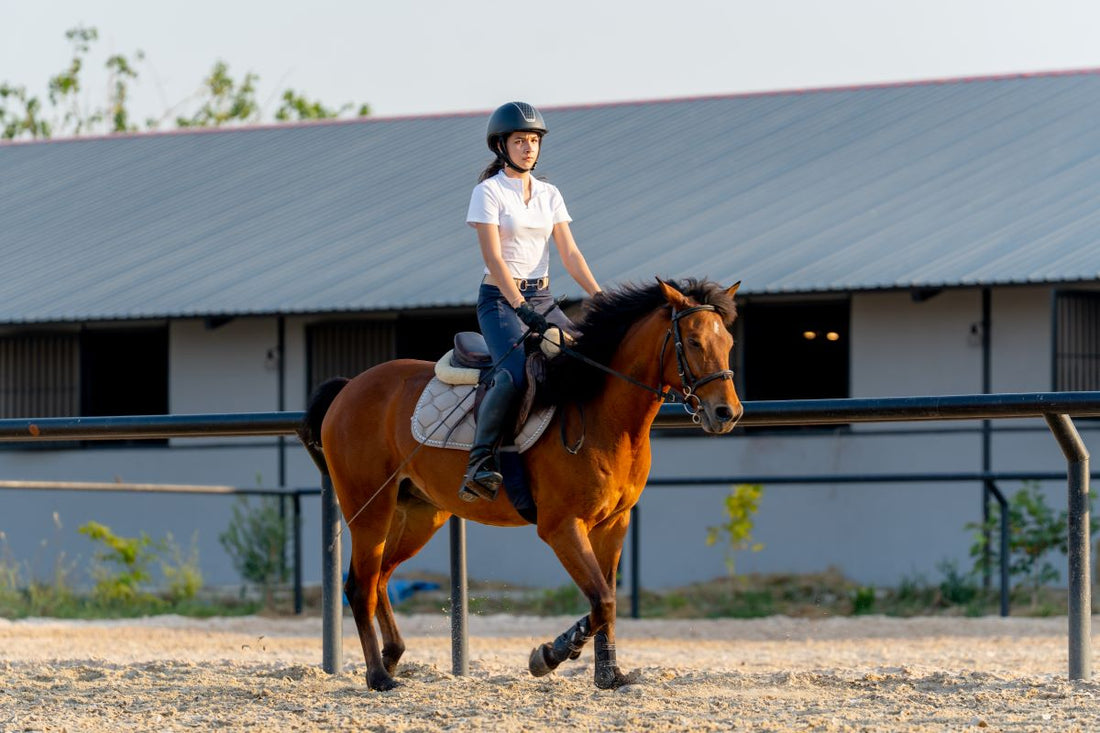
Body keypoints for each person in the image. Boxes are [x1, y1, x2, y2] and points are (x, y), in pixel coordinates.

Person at [460, 101, 602, 502]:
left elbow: (570, 254)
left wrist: (600, 296)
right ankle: (480, 461)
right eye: (520, 140)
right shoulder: (488, 192)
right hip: (500, 300)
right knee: (514, 374)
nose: (528, 148)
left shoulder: (549, 194)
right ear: (501, 146)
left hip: (542, 296)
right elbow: (493, 258)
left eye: (534, 141)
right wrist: (519, 306)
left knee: (583, 358)